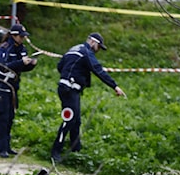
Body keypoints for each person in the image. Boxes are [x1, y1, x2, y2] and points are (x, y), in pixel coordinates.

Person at [51, 32, 126, 163]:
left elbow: (60, 66)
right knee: (69, 120)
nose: (98, 51)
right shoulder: (87, 52)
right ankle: (56, 151)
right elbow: (98, 70)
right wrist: (115, 86)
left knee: (76, 120)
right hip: (70, 89)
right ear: (93, 42)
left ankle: (75, 149)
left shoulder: (74, 48)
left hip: (66, 87)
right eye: (98, 47)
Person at [0, 24, 38, 158]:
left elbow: (21, 67)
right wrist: (21, 62)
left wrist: (30, 65)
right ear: (14, 36)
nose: (22, 39)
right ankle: (1, 148)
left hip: (13, 87)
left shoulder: (21, 49)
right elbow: (3, 66)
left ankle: (8, 146)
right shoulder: (4, 48)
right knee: (3, 118)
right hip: (1, 87)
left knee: (10, 117)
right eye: (21, 36)